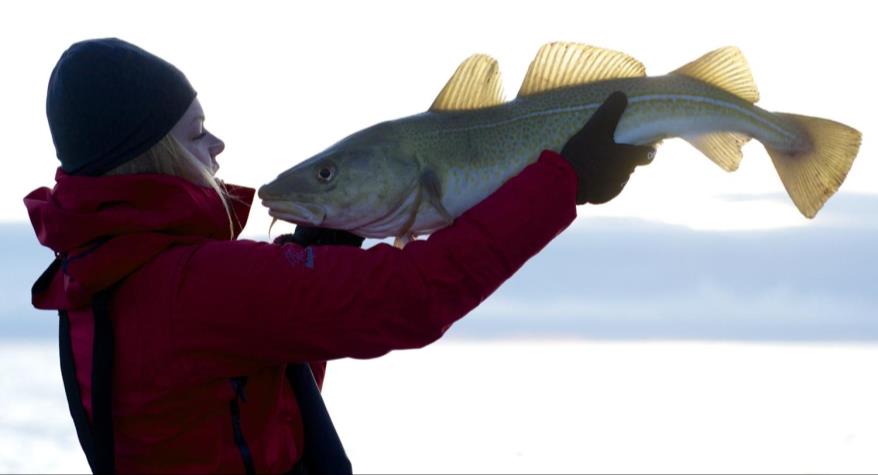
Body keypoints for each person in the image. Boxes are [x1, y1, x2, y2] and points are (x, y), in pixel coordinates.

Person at [24, 38, 653, 474]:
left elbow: (255, 409)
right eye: (195, 133)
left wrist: (323, 258)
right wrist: (561, 182)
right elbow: (412, 298)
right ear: (154, 154)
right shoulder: (191, 285)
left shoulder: (102, 278)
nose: (217, 145)